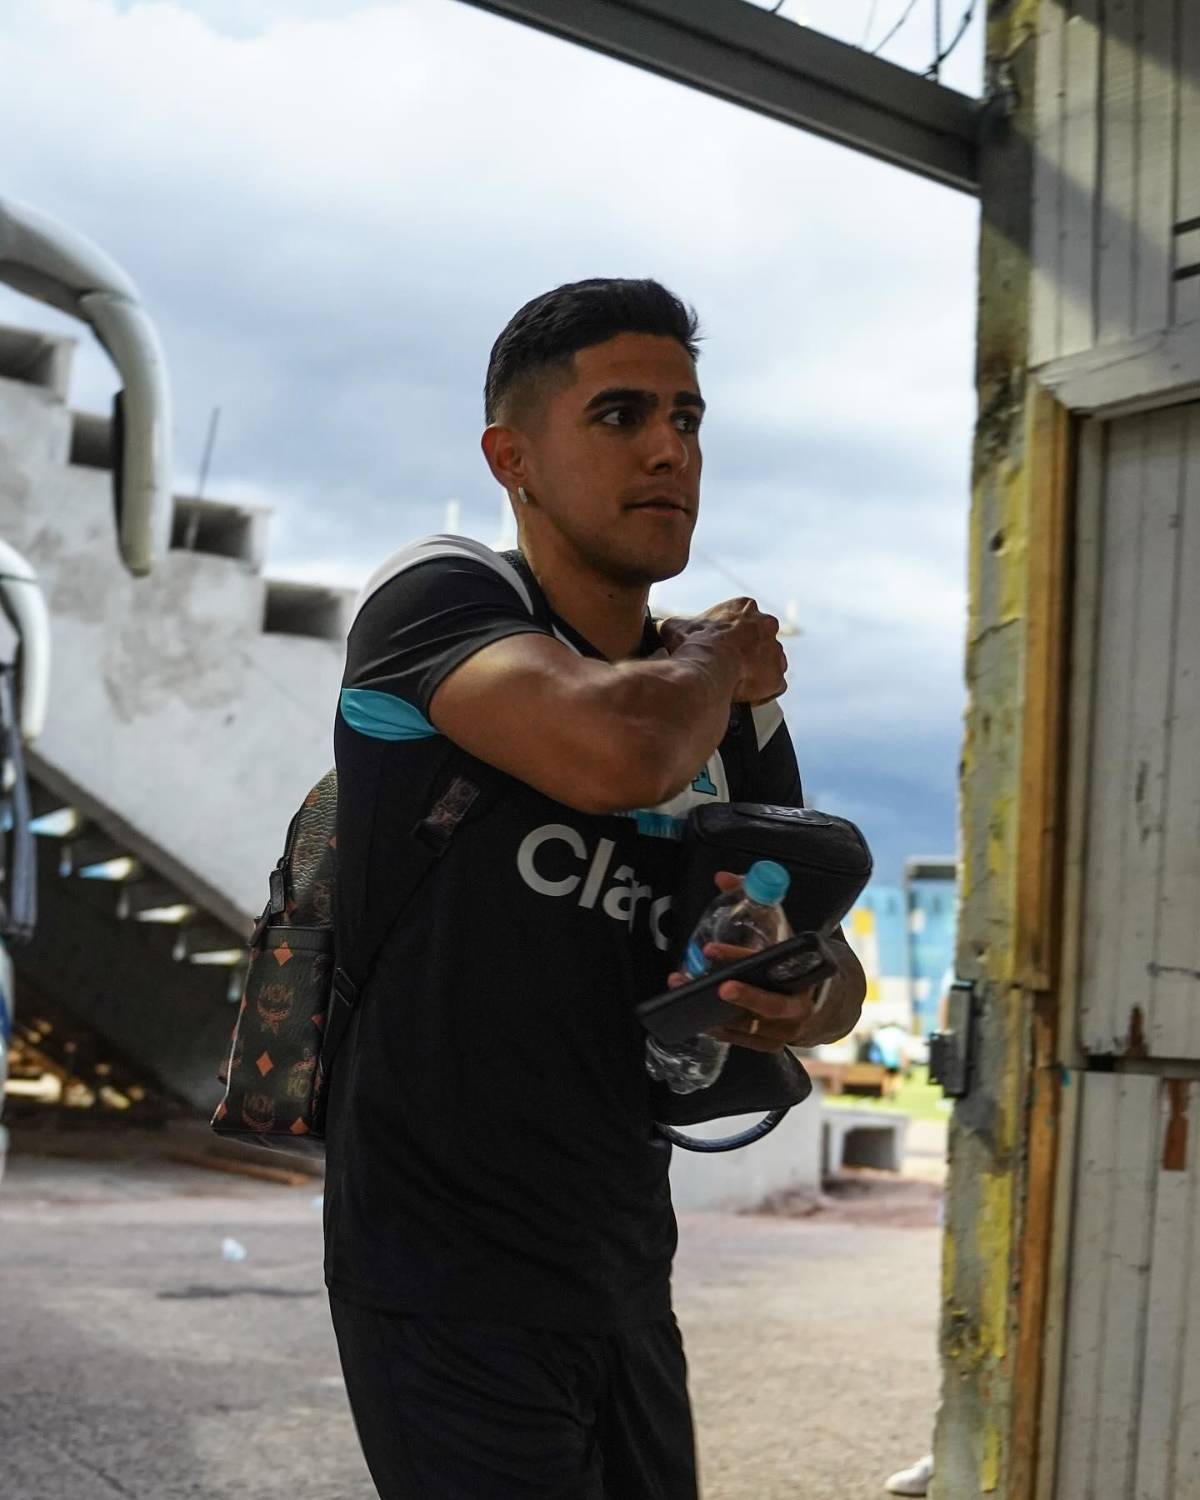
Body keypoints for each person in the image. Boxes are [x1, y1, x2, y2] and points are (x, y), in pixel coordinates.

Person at [323, 277, 867, 1499]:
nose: (671, 448)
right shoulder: (442, 601)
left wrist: (795, 993)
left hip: (622, 1267)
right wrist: (715, 655)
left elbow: (826, 969)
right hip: (441, 1276)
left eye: (688, 417)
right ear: (511, 458)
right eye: (621, 416)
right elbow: (619, 750)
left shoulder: (725, 710)